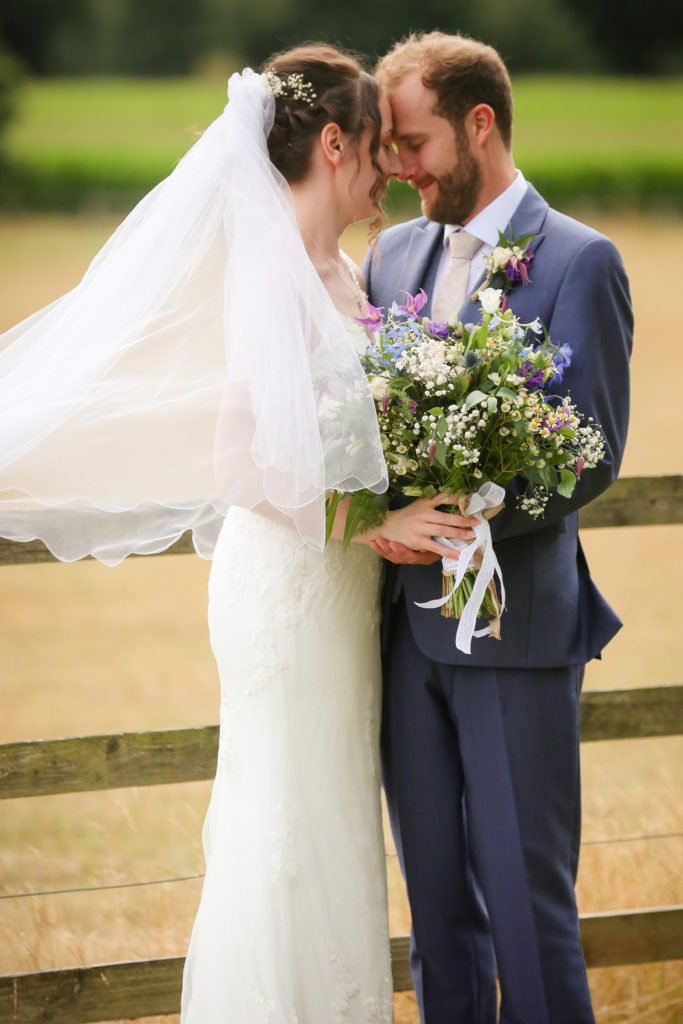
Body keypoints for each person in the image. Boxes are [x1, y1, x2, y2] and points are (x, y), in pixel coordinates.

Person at [364, 31, 633, 1024]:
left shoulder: (578, 261)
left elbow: (591, 448)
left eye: (413, 142)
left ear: (478, 125)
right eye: (387, 144)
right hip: (403, 638)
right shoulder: (388, 254)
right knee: (435, 915)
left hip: (514, 634)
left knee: (526, 911)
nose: (397, 166)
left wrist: (465, 517)